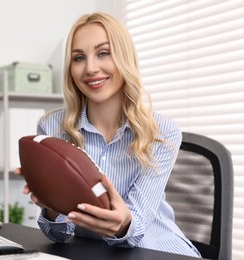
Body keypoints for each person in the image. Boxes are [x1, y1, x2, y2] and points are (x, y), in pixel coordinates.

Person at [15, 12, 202, 258]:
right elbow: (57, 235)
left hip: (159, 250)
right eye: (79, 58)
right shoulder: (52, 128)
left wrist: (123, 224)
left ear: (124, 58)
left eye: (103, 53)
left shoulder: (162, 132)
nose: (90, 68)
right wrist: (51, 206)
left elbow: (137, 230)